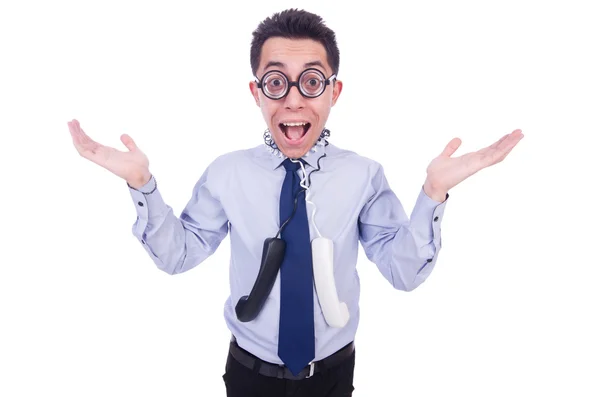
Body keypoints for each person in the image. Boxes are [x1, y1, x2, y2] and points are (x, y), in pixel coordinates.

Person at [67, 8, 524, 397]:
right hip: (249, 374)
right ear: (256, 92)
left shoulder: (363, 175)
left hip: (332, 375)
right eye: (275, 82)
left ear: (333, 92)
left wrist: (432, 194)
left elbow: (403, 273)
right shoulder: (228, 173)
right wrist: (142, 184)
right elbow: (178, 255)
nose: (292, 100)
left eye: (310, 82)